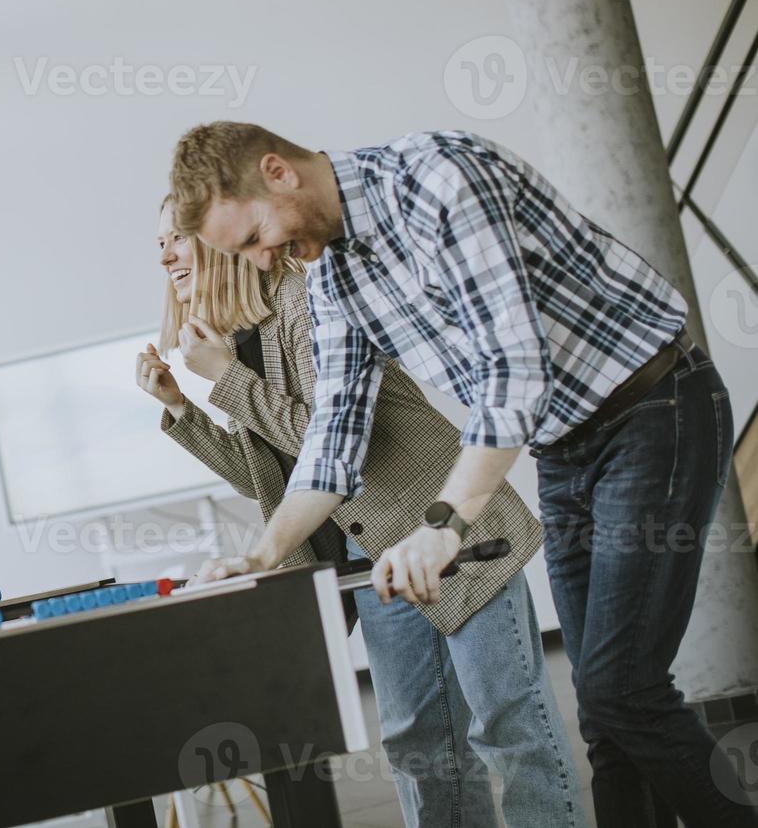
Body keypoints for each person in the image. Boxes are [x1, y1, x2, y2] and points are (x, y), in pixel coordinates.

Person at [171, 122, 757, 827]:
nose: (263, 261)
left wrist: (444, 525)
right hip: (565, 445)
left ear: (279, 172)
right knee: (607, 716)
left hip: (655, 407)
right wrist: (260, 556)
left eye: (255, 236)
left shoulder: (438, 180)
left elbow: (515, 369)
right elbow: (334, 436)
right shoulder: (333, 274)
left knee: (621, 688)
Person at [142, 196, 582, 827]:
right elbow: (266, 478)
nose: (164, 255)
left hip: (454, 540)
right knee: (417, 745)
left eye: (176, 237)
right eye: (158, 242)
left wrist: (229, 382)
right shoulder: (243, 339)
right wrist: (185, 407)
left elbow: (342, 445)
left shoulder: (307, 303)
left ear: (218, 237)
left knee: (510, 731)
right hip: (371, 562)